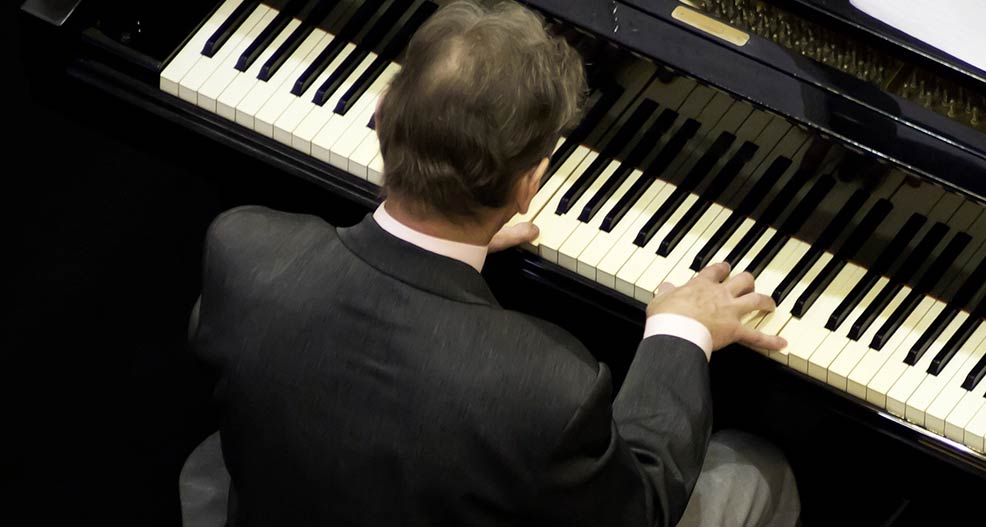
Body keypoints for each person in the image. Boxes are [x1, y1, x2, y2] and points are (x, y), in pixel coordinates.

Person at [185, 1, 801, 525]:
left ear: (380, 118)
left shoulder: (243, 250)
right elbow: (639, 507)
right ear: (530, 185)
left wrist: (454, 235)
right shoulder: (552, 390)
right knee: (759, 473)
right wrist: (681, 330)